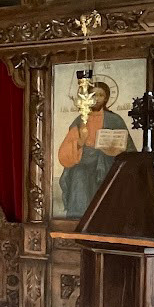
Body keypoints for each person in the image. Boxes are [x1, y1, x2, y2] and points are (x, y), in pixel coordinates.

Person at [56, 82, 130, 216]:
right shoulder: (80, 121)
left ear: (106, 98)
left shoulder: (115, 120)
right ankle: (77, 219)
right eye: (94, 95)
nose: (97, 98)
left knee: (110, 179)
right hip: (84, 164)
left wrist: (115, 150)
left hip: (108, 163)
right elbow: (64, 154)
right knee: (79, 176)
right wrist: (80, 142)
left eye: (101, 95)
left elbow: (128, 148)